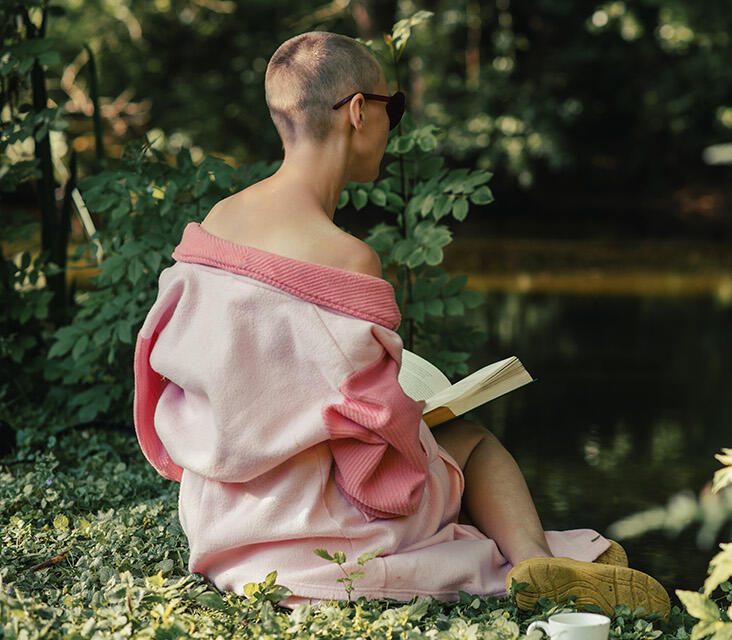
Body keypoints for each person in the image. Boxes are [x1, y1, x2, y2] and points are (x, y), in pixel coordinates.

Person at [131, 30, 669, 616]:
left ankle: (538, 563)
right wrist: (423, 420)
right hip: (316, 538)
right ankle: (534, 560)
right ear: (359, 111)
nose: (395, 125)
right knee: (470, 442)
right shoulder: (347, 259)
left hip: (222, 521)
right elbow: (376, 437)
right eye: (395, 107)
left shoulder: (216, 221)